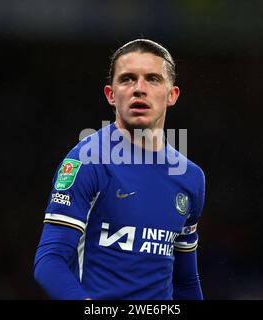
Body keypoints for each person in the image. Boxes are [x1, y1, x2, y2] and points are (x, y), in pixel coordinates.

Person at [34, 39, 206, 300]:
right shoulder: (86, 161)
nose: (139, 89)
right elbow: (49, 262)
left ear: (172, 95)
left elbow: (185, 282)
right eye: (127, 79)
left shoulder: (190, 178)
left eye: (152, 79)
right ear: (111, 95)